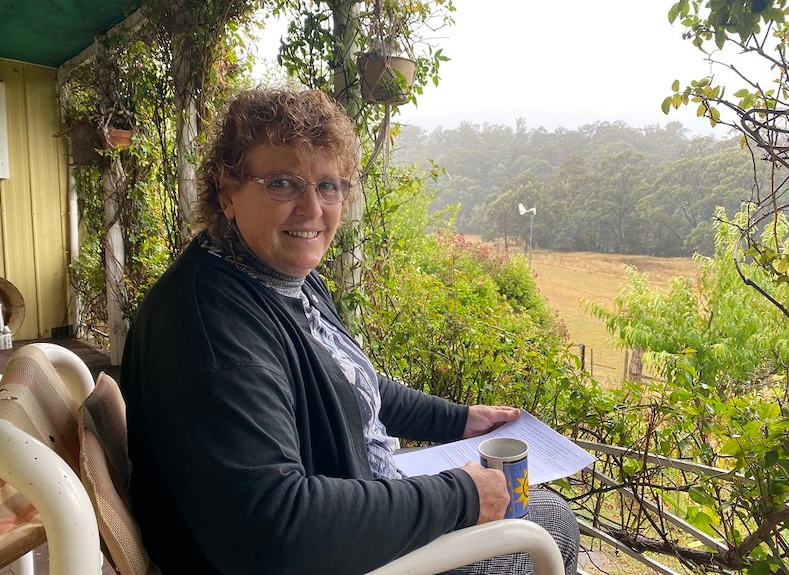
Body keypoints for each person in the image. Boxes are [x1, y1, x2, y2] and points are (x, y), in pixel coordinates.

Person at [119, 87, 579, 575]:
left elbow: (345, 383)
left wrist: (459, 419)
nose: (312, 208)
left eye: (330, 185)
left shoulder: (278, 276)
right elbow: (275, 530)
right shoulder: (213, 330)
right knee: (551, 526)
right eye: (282, 183)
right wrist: (461, 495)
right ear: (227, 194)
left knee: (534, 508)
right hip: (330, 547)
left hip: (352, 500)